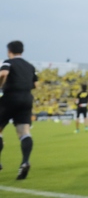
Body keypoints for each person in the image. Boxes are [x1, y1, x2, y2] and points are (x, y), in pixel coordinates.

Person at [0, 41, 37, 180]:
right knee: (24, 132)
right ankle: (25, 161)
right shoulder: (30, 66)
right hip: (26, 98)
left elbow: (3, 74)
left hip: (10, 97)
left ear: (9, 51)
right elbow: (35, 84)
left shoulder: (8, 62)